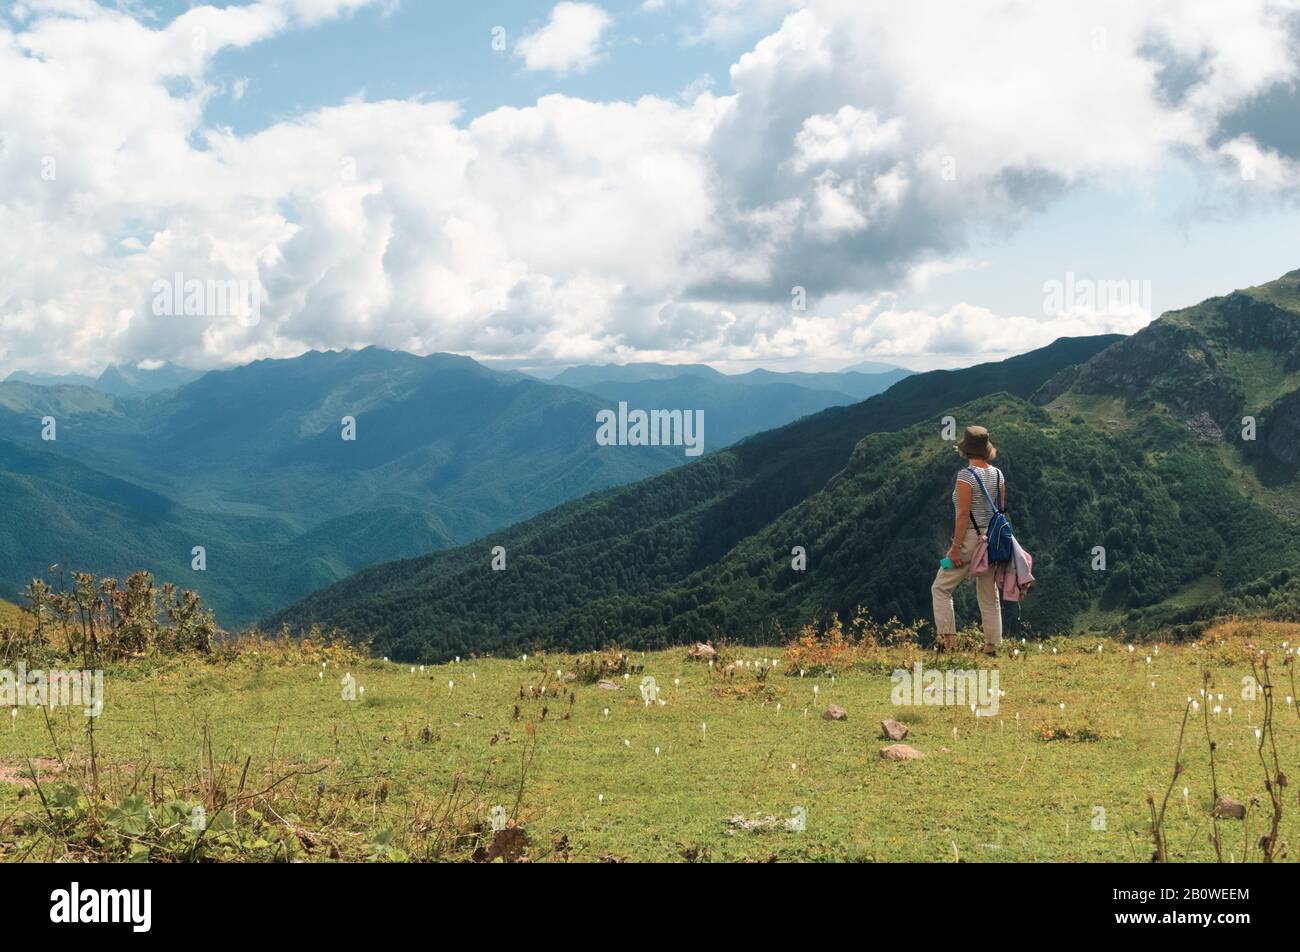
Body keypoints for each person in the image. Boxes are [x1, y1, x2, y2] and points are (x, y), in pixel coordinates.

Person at [931, 425, 1003, 655]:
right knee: (988, 594)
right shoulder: (999, 474)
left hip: (969, 539)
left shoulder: (965, 476)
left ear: (966, 450)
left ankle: (948, 644)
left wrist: (955, 549)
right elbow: (1000, 510)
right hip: (991, 540)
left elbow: (962, 514)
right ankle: (992, 646)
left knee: (941, 587)